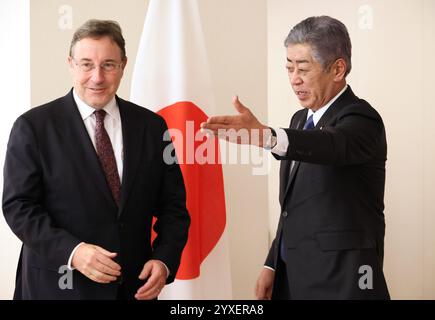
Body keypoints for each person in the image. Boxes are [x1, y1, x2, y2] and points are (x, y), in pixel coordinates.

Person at [202, 16, 389, 299]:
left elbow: (331, 145)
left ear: (338, 69)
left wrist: (266, 136)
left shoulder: (362, 119)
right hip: (291, 278)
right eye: (289, 68)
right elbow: (293, 206)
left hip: (344, 282)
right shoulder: (300, 119)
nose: (294, 79)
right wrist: (273, 262)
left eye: (303, 68)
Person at [2, 19, 190, 300]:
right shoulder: (33, 126)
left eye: (108, 65)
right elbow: (18, 206)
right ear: (71, 64)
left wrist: (164, 261)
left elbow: (173, 207)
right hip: (57, 288)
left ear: (123, 65)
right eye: (87, 64)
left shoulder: (152, 127)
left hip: (133, 289)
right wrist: (73, 252)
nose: (97, 77)